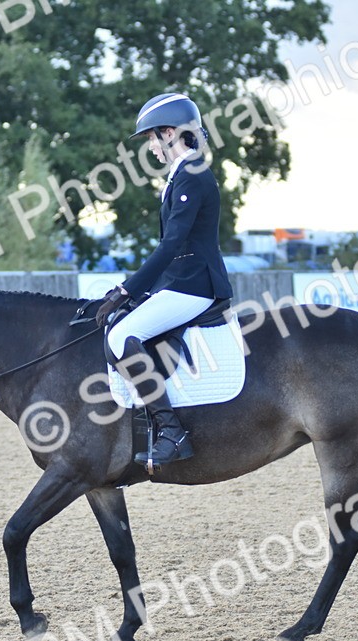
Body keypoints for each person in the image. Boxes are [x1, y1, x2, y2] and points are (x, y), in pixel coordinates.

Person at [95, 92, 234, 469]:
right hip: (180, 282)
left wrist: (127, 289)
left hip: (196, 285)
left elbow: (172, 244)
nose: (152, 147)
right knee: (119, 324)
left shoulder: (192, 175)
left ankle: (171, 431)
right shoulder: (180, 177)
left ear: (170, 133)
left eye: (153, 138)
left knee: (122, 336)